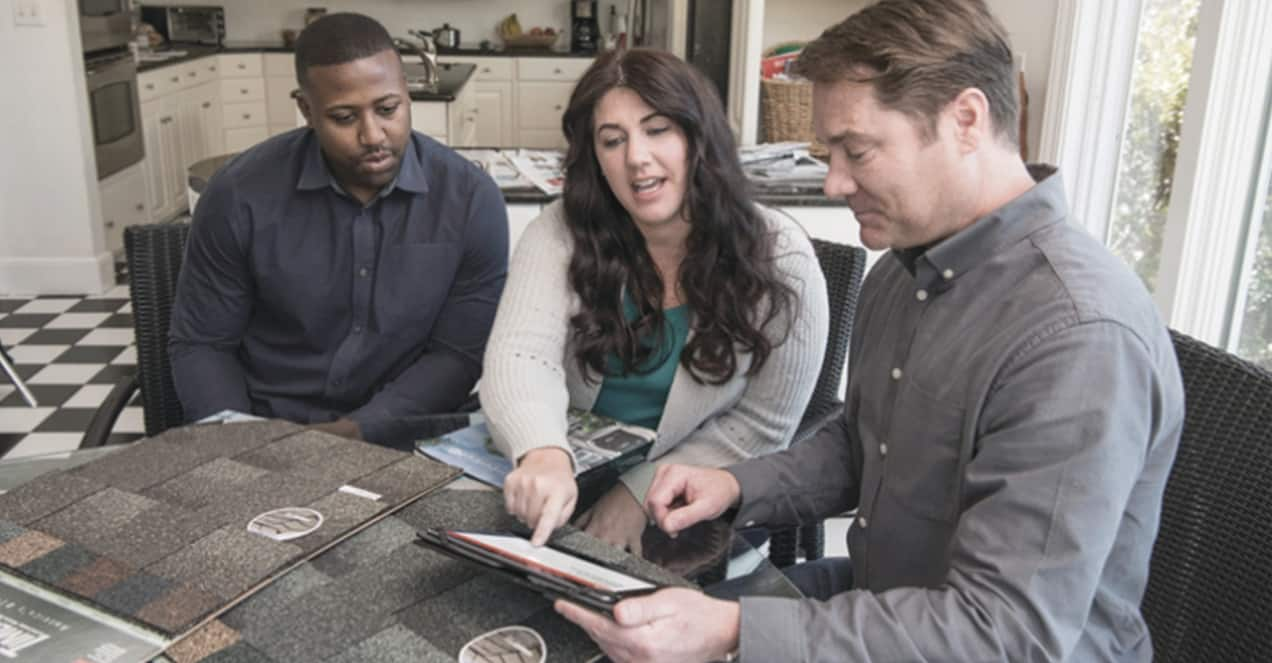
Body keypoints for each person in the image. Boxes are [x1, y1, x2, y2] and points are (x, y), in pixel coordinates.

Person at [554, 1, 1185, 661]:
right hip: (883, 600)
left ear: (965, 120)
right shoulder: (904, 271)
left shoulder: (1076, 336)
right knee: (618, 624)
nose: (833, 181)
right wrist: (739, 484)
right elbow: (864, 444)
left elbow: (1005, 634)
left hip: (977, 641)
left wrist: (734, 632)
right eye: (829, 153)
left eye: (856, 150)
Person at [482, 48, 829, 551]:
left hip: (691, 495)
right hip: (558, 476)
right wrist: (542, 453)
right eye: (612, 140)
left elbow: (763, 424)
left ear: (697, 137)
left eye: (657, 129)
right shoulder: (561, 229)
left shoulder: (783, 258)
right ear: (595, 159)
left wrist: (639, 492)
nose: (636, 157)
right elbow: (521, 354)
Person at [168, 13, 507, 448]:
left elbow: (456, 356)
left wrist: (351, 435)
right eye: (345, 117)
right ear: (306, 109)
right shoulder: (239, 195)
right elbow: (203, 345)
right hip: (263, 432)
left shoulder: (471, 199)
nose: (373, 135)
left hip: (403, 436)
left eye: (388, 109)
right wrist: (241, 444)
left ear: (408, 91)